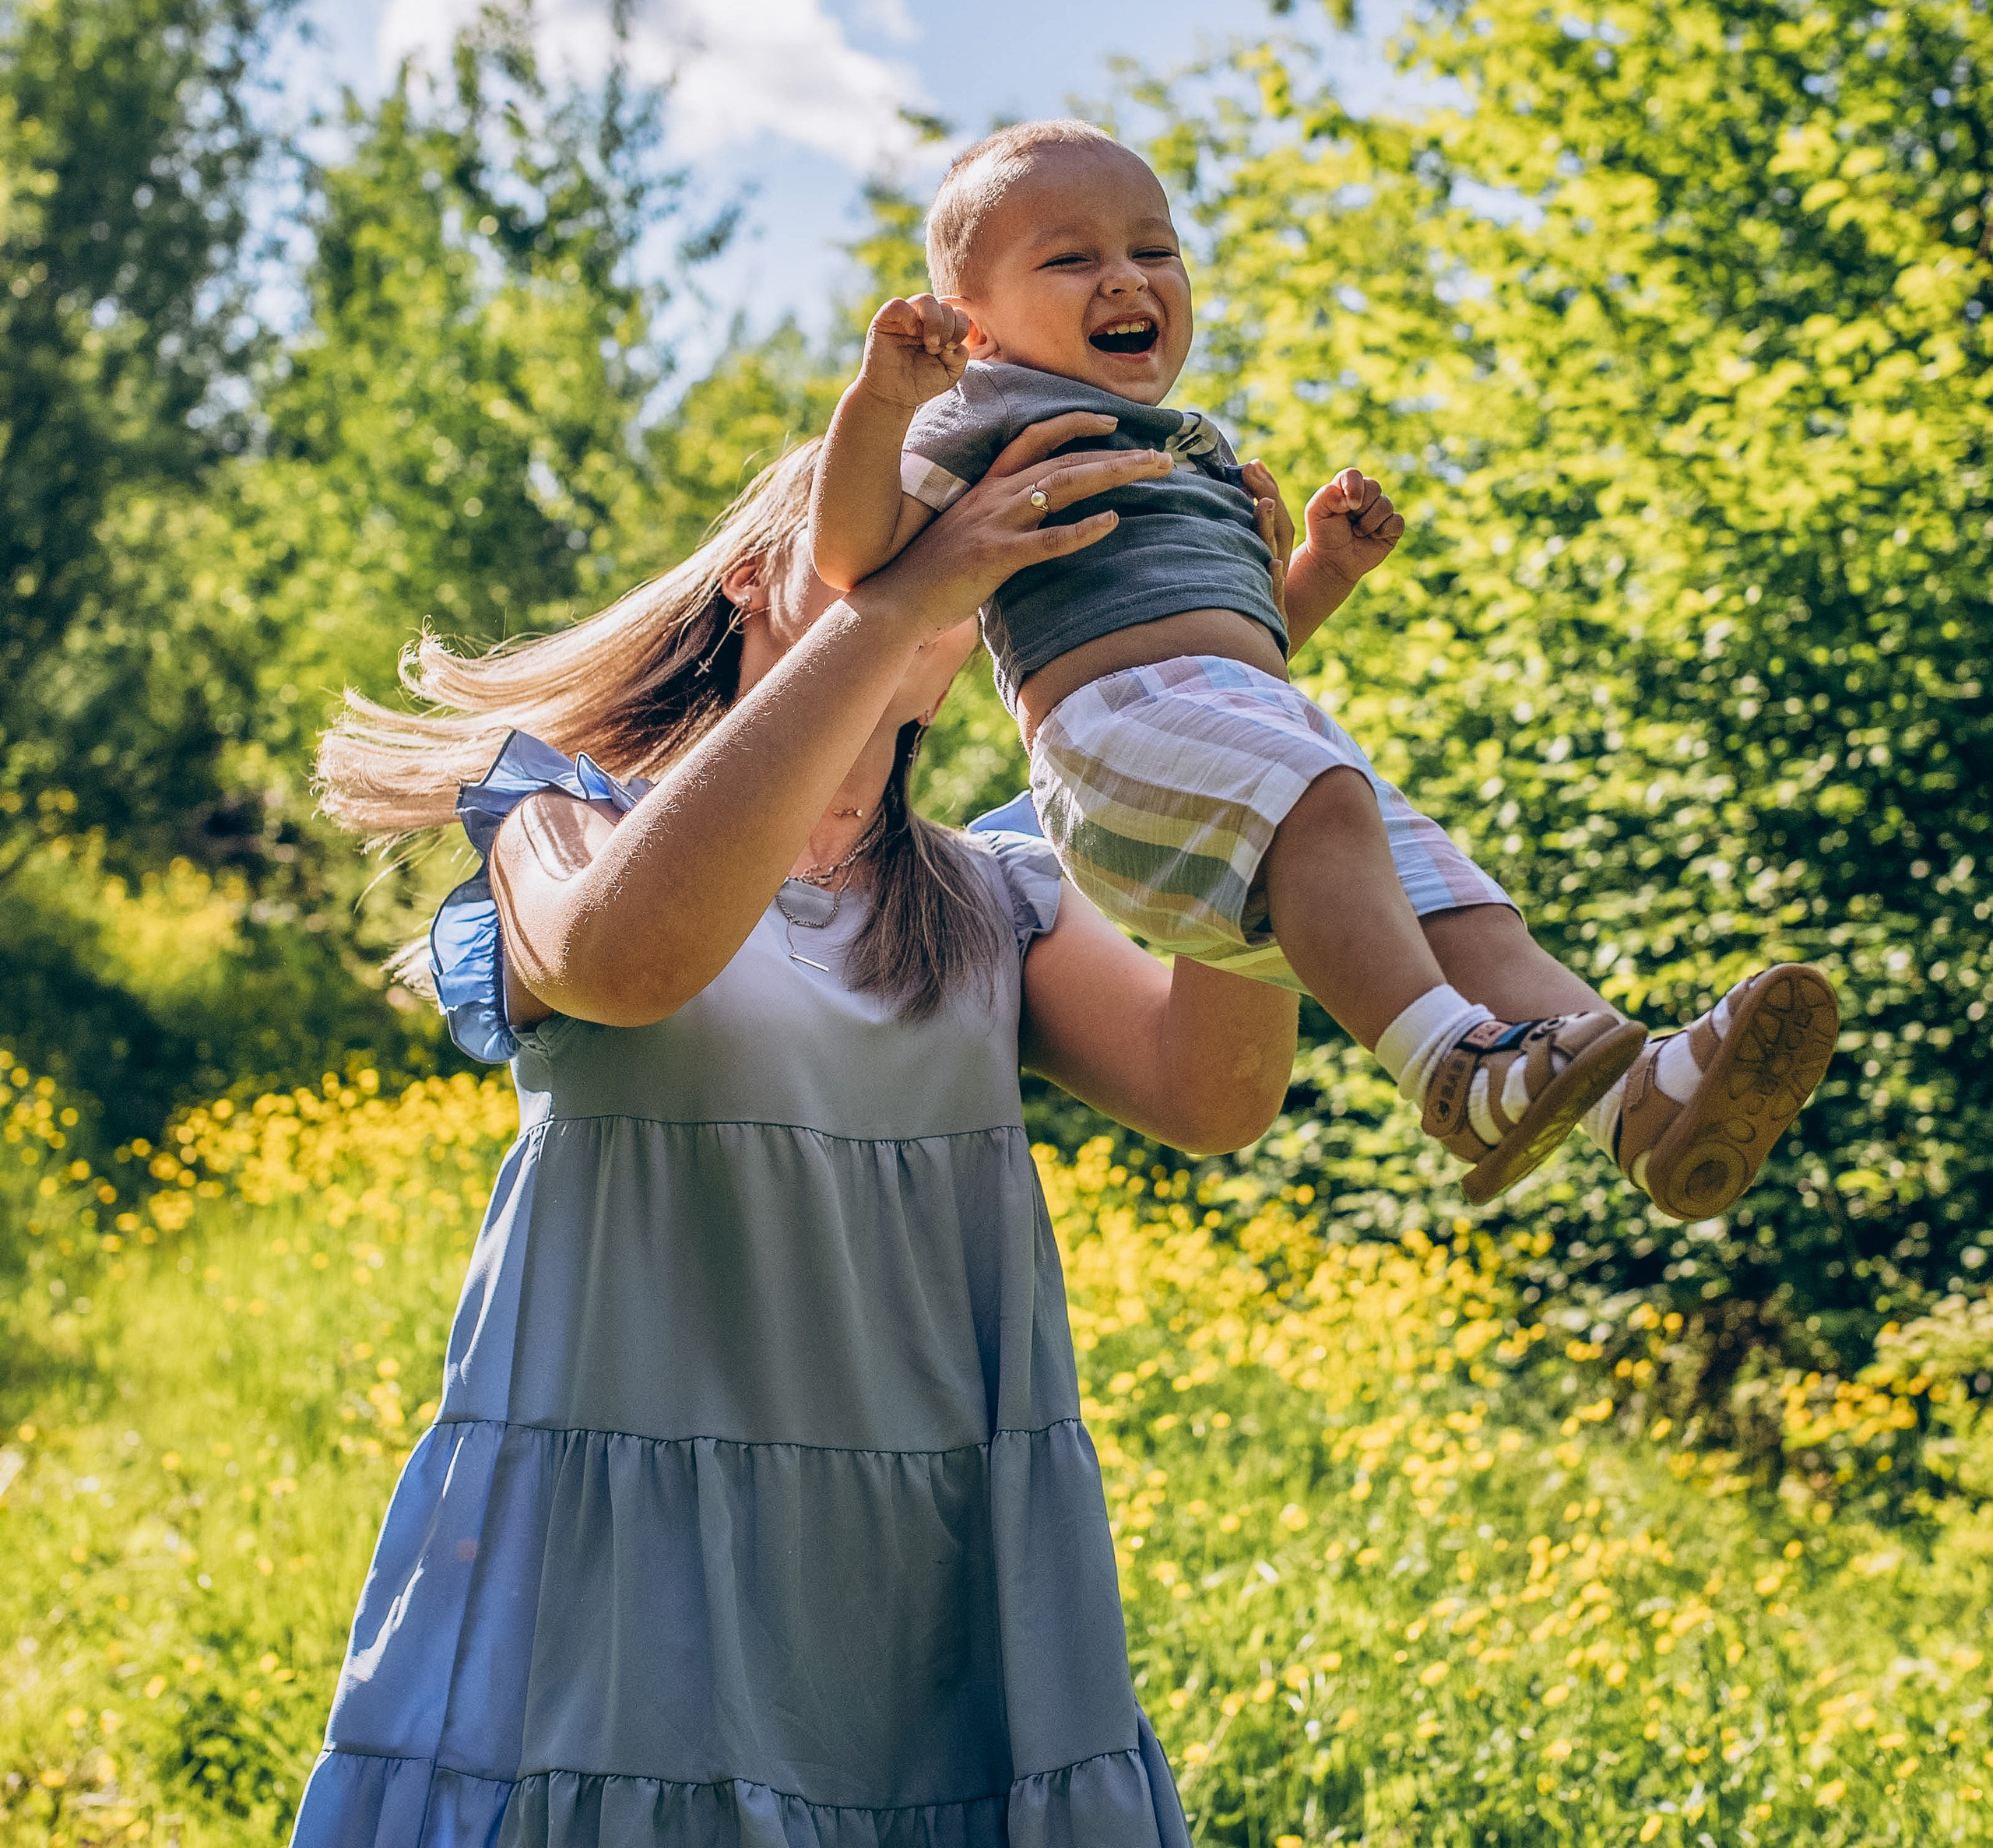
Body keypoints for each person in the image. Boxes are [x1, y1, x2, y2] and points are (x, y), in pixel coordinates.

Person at [292, 430, 1300, 1848]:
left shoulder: (997, 898)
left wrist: (1242, 717)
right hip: (620, 1569)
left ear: (975, 651)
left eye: (944, 564)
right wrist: (890, 606)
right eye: (878, 544)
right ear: (761, 579)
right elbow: (626, 963)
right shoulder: (559, 818)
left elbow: (1216, 1095)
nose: (915, 574)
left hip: (923, 1574)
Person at [810, 119, 1839, 1220]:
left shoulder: (1188, 446)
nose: (1127, 278)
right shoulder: (982, 414)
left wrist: (1319, 577)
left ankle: (1645, 1105)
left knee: (1461, 908)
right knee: (1318, 795)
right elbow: (853, 554)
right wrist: (882, 404)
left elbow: (1235, 642)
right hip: (1111, 743)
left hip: (1246, 725)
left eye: (1154, 251)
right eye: (1071, 259)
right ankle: (1453, 1068)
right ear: (974, 325)